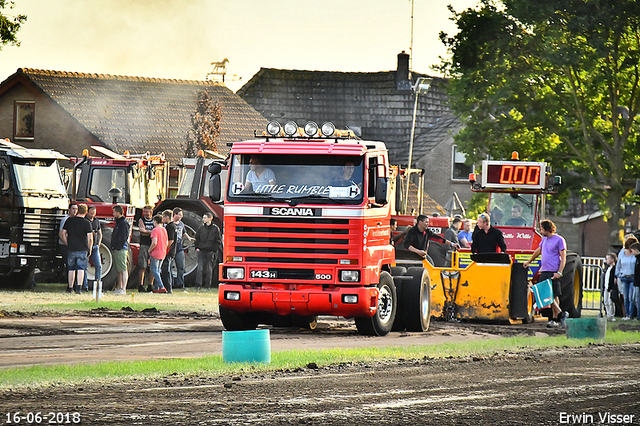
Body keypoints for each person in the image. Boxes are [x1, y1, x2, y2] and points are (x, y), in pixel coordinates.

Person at [523, 219, 567, 328]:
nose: (540, 231)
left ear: (547, 228)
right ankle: (561, 314)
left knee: (554, 294)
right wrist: (529, 261)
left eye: (542, 228)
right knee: (544, 294)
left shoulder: (559, 240)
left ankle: (554, 318)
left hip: (554, 271)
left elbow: (563, 257)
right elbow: (538, 251)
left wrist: (559, 272)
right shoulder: (544, 240)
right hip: (545, 270)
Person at [61, 203, 93, 294]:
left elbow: (63, 233)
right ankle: (78, 288)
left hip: (71, 247)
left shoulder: (69, 220)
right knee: (81, 268)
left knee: (71, 269)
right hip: (82, 248)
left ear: (78, 210)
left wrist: (67, 243)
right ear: (86, 212)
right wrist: (89, 248)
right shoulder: (87, 223)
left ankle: (70, 288)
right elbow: (90, 238)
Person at [194, 212, 222, 290]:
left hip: (210, 251)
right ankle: (198, 285)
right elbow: (197, 238)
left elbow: (218, 241)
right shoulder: (201, 228)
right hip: (202, 251)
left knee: (209, 269)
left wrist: (214, 250)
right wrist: (197, 247)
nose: (203, 219)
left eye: (205, 218)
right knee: (200, 268)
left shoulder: (215, 229)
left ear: (210, 218)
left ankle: (207, 286)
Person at [615, 235, 638, 320]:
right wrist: (617, 275)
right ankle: (626, 315)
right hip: (624, 277)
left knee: (632, 297)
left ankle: (631, 315)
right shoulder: (622, 253)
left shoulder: (635, 254)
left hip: (633, 277)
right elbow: (618, 264)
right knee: (625, 297)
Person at [110, 205, 130, 295]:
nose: (113, 214)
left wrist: (118, 247)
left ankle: (123, 288)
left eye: (114, 212)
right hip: (117, 249)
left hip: (121, 249)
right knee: (119, 270)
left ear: (118, 212)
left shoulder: (123, 223)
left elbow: (123, 237)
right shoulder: (118, 223)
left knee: (123, 269)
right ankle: (119, 286)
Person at [82, 205, 102, 292]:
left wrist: (99, 243)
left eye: (94, 213)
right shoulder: (85, 221)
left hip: (95, 247)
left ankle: (97, 285)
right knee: (84, 266)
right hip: (86, 247)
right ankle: (85, 286)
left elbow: (100, 233)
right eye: (91, 213)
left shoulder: (96, 221)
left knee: (98, 266)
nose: (92, 215)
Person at [172, 207, 193, 290]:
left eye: (182, 215)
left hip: (179, 248)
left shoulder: (181, 224)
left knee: (181, 267)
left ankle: (180, 284)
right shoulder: (169, 224)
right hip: (171, 248)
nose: (181, 217)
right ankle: (171, 284)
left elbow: (184, 233)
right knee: (169, 267)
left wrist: (189, 238)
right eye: (179, 215)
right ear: (175, 214)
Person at [148, 214, 168, 294]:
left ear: (155, 221)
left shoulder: (155, 230)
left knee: (154, 270)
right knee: (158, 270)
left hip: (156, 252)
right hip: (163, 252)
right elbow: (166, 242)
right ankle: (157, 288)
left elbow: (154, 242)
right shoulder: (164, 230)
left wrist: (149, 250)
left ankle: (162, 287)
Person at [137, 205, 155, 293]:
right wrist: (152, 233)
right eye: (144, 212)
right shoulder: (141, 220)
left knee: (153, 266)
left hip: (153, 245)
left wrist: (147, 232)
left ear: (151, 212)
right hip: (144, 245)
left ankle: (150, 285)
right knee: (142, 266)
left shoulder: (155, 220)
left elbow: (156, 232)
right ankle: (140, 285)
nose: (145, 214)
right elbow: (142, 231)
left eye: (147, 212)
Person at [58, 203, 78, 280]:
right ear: (69, 210)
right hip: (64, 245)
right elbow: (61, 234)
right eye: (73, 209)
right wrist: (67, 244)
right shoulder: (65, 220)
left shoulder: (75, 220)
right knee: (68, 263)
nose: (75, 211)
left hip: (71, 245)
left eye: (76, 209)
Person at [161, 209, 177, 292]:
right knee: (169, 270)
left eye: (163, 217)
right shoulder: (173, 226)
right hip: (172, 251)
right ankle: (169, 287)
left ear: (167, 217)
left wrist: (164, 249)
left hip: (169, 251)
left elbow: (171, 240)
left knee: (166, 270)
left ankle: (168, 288)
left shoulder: (170, 227)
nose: (162, 219)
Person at [602, 253, 618, 321]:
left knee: (610, 301)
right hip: (606, 286)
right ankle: (608, 314)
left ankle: (611, 315)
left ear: (612, 260)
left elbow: (612, 279)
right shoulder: (607, 268)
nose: (606, 261)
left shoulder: (614, 269)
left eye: (608, 259)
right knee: (605, 301)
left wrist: (612, 287)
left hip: (610, 287)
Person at [631, 242, 640, 321]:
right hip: (636, 282)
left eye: (633, 250)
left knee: (637, 299)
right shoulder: (637, 259)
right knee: (635, 299)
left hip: (638, 283)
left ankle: (638, 316)